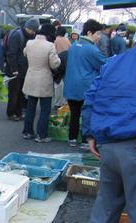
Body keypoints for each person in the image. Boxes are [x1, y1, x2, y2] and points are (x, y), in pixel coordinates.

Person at [82, 20, 136, 223]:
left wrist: (90, 134)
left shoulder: (115, 61)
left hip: (108, 143)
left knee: (108, 199)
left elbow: (92, 96)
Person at [64, 19, 106, 147]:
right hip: (85, 87)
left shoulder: (74, 46)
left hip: (70, 86)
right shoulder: (92, 50)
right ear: (89, 32)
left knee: (75, 114)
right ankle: (85, 141)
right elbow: (104, 65)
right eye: (97, 34)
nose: (99, 37)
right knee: (87, 115)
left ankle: (72, 138)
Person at [21, 23, 60, 143]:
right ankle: (41, 135)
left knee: (30, 108)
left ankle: (27, 132)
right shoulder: (50, 45)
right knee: (45, 109)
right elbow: (54, 64)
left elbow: (24, 53)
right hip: (44, 79)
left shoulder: (29, 42)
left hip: (31, 77)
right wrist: (59, 59)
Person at [5, 17, 39, 121]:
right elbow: (11, 53)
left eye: (34, 31)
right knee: (14, 93)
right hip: (14, 69)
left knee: (21, 93)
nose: (33, 32)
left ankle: (19, 113)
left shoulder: (31, 37)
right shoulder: (17, 35)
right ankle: (11, 113)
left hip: (24, 69)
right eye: (31, 30)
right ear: (26, 27)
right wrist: (14, 69)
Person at [53, 26, 70, 108]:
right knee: (65, 82)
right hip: (67, 62)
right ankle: (64, 102)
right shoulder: (67, 40)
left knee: (58, 83)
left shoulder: (56, 40)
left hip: (58, 62)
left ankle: (57, 103)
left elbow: (53, 51)